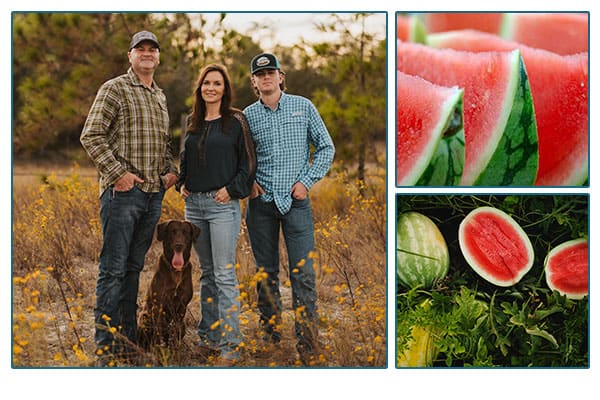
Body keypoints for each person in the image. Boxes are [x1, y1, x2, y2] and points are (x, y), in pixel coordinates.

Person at [80, 30, 178, 365]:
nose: (147, 53)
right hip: (123, 195)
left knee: (134, 268)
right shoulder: (115, 88)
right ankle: (106, 347)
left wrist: (169, 170)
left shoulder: (159, 96)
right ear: (130, 55)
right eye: (141, 49)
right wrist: (118, 174)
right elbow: (91, 135)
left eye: (153, 49)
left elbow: (162, 145)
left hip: (153, 196)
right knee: (113, 269)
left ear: (158, 57)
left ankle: (127, 343)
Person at [243, 53, 335, 365]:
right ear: (254, 81)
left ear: (281, 76)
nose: (266, 77)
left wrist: (306, 182)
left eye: (271, 72)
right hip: (261, 205)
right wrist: (249, 184)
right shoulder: (247, 116)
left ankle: (308, 344)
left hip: (296, 203)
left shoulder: (303, 106)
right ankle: (271, 340)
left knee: (304, 275)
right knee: (266, 274)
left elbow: (326, 147)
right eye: (260, 74)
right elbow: (239, 159)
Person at [177, 63, 256, 366]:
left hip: (222, 205)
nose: (211, 88)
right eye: (207, 83)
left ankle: (231, 344)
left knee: (224, 274)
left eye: (217, 83)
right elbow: (185, 157)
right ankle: (208, 339)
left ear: (225, 89)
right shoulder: (192, 121)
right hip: (193, 207)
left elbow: (248, 163)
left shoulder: (236, 120)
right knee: (207, 273)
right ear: (200, 87)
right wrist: (182, 182)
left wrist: (233, 190)